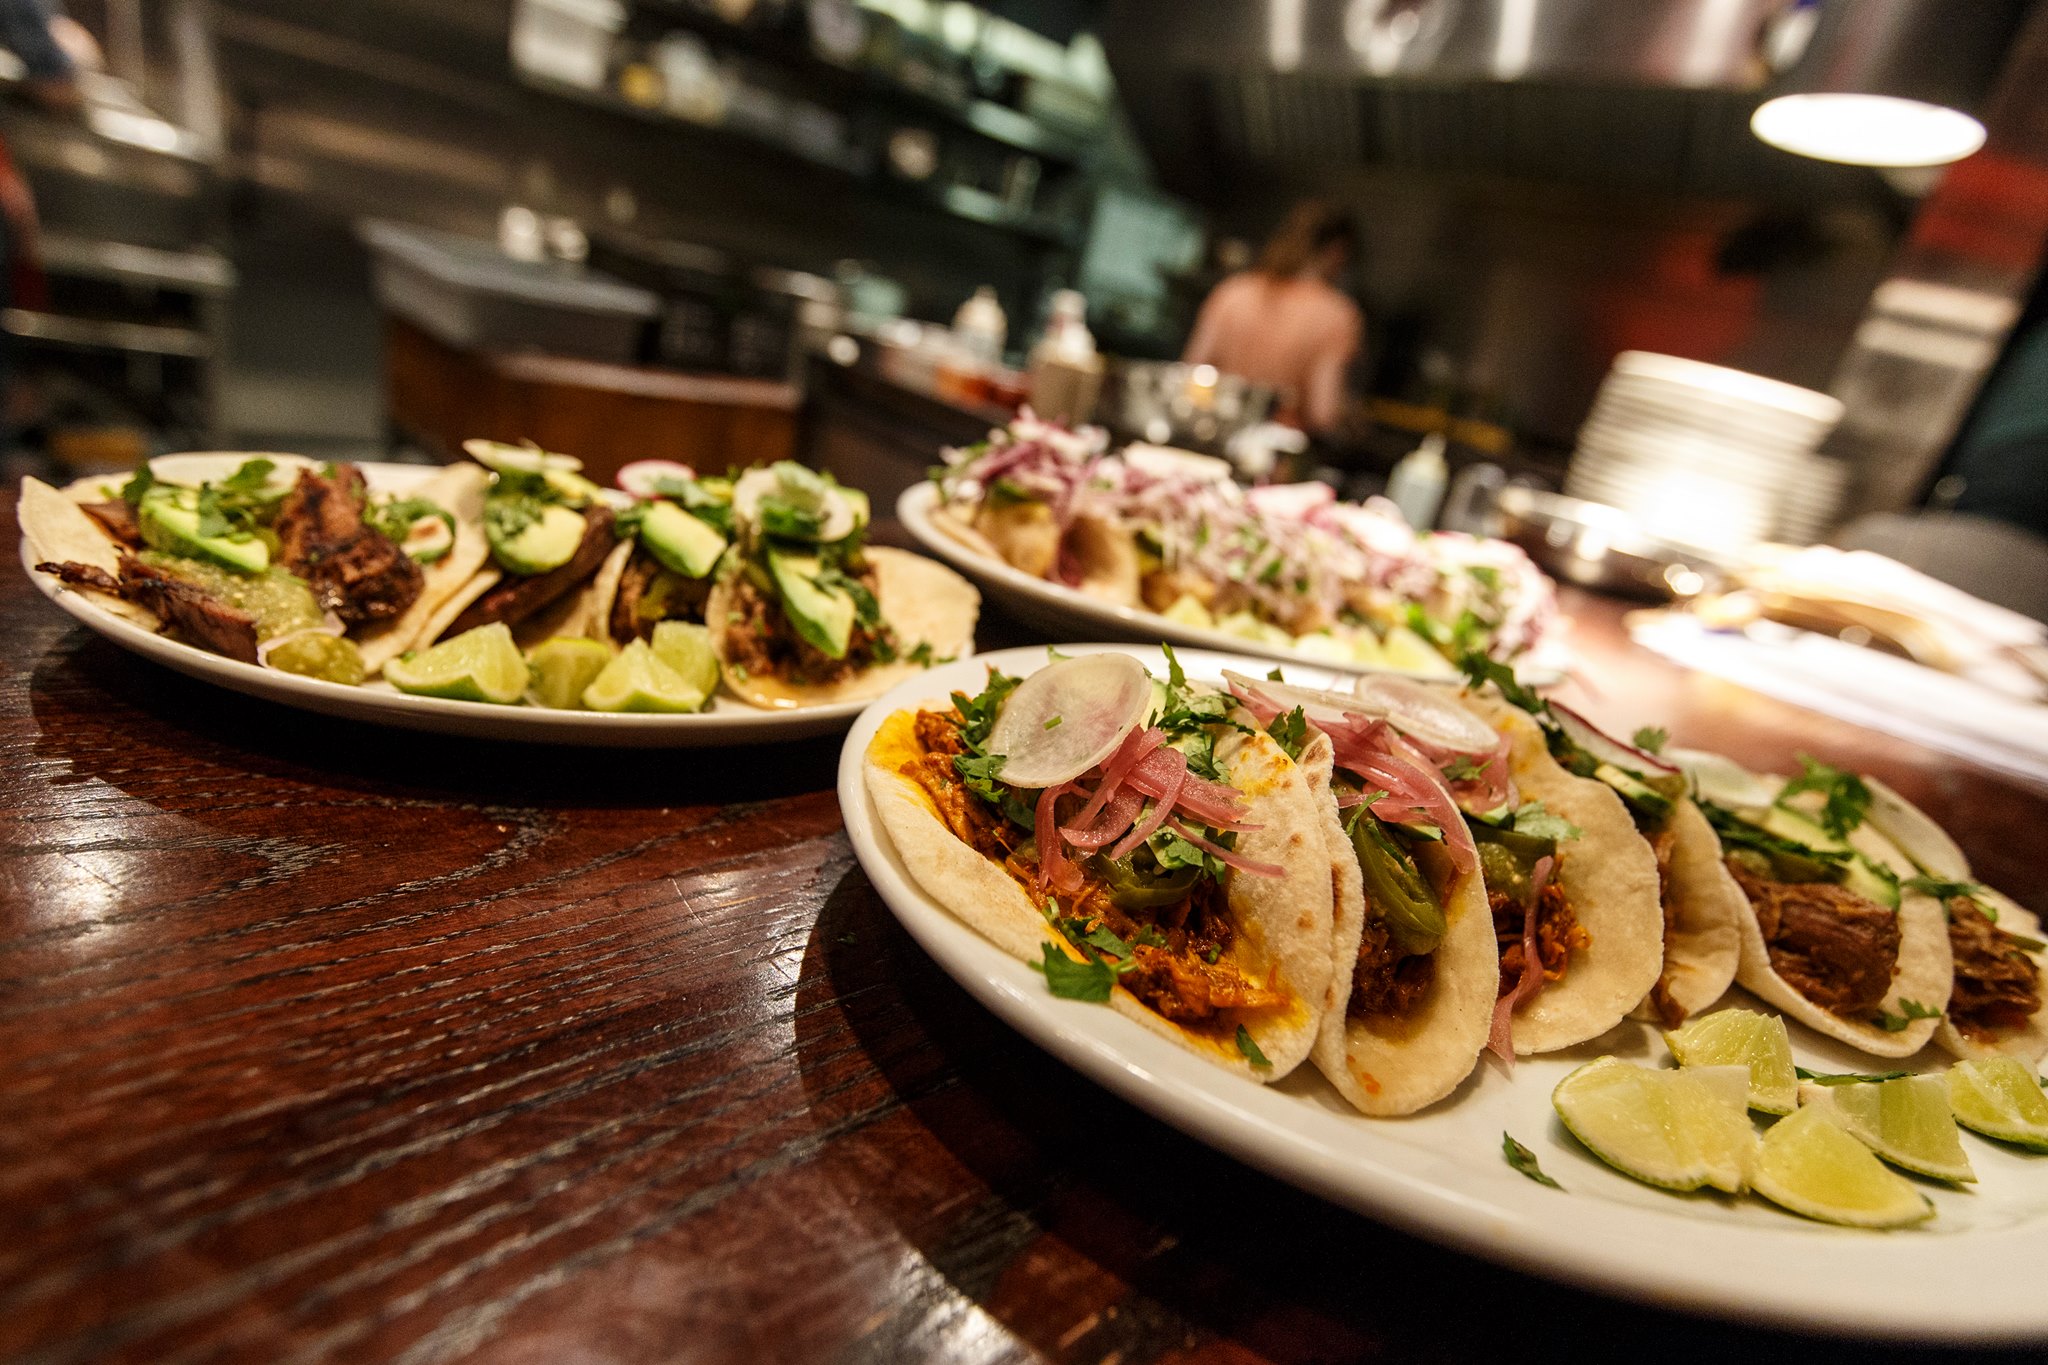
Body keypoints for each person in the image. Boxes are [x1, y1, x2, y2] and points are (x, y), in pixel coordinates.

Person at [1182, 201, 1364, 435]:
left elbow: (1191, 373)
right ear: (1337, 251)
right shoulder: (1336, 314)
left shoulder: (1234, 291)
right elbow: (1322, 413)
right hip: (1278, 444)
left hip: (1212, 431)